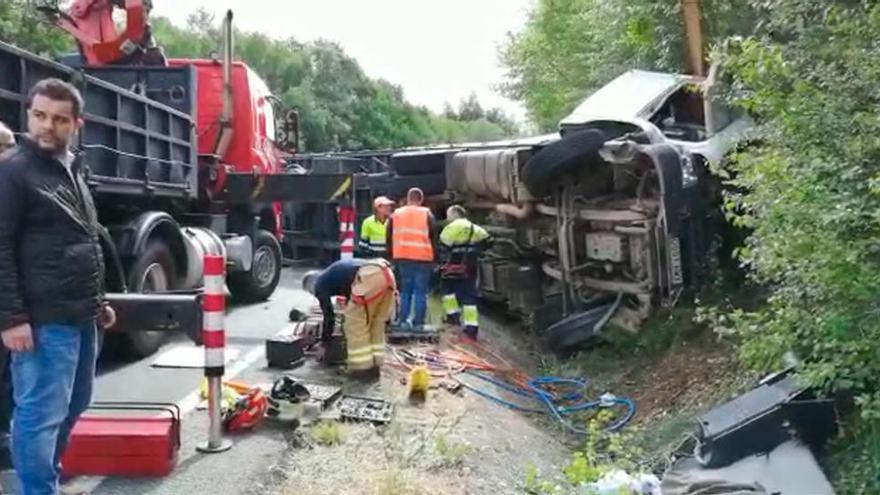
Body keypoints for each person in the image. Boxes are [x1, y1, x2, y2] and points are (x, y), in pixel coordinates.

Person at [0, 78, 117, 494]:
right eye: (40, 116)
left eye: (59, 119)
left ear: (76, 124)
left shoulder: (71, 167)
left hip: (81, 315)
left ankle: (44, 477)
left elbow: (85, 237)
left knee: (74, 404)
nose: (48, 126)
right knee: (39, 414)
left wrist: (99, 300)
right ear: (28, 114)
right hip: (42, 318)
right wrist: (12, 318)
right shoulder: (13, 171)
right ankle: (38, 489)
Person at [302, 257, 396, 379]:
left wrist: (324, 344)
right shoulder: (333, 274)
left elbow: (329, 316)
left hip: (369, 278)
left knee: (354, 325)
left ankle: (361, 370)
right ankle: (375, 365)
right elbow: (352, 290)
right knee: (374, 323)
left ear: (311, 285)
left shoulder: (320, 284)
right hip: (385, 272)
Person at [386, 187, 437, 330]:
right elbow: (434, 237)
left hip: (402, 257)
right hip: (423, 258)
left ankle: (403, 321)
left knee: (405, 291)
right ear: (420, 200)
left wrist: (391, 256)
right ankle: (418, 323)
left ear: (408, 198)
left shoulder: (396, 214)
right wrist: (435, 259)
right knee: (420, 291)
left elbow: (388, 236)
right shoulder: (427, 214)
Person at [439, 205, 492, 340]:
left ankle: (453, 317)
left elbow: (443, 246)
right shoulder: (475, 228)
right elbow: (489, 241)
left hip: (452, 266)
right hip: (470, 266)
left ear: (455, 214)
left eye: (448, 215)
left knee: (447, 291)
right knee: (469, 295)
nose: (447, 218)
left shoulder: (451, 228)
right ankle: (471, 328)